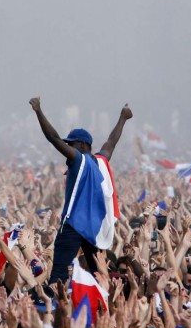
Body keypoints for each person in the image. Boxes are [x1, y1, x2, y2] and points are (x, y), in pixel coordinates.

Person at [29, 97, 132, 283]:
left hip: (74, 224)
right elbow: (111, 142)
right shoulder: (100, 161)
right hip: (93, 230)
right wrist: (123, 118)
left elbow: (53, 138)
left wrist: (38, 111)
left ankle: (53, 306)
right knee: (99, 274)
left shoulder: (79, 160)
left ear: (82, 146)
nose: (68, 147)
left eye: (71, 144)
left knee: (59, 273)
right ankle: (105, 304)